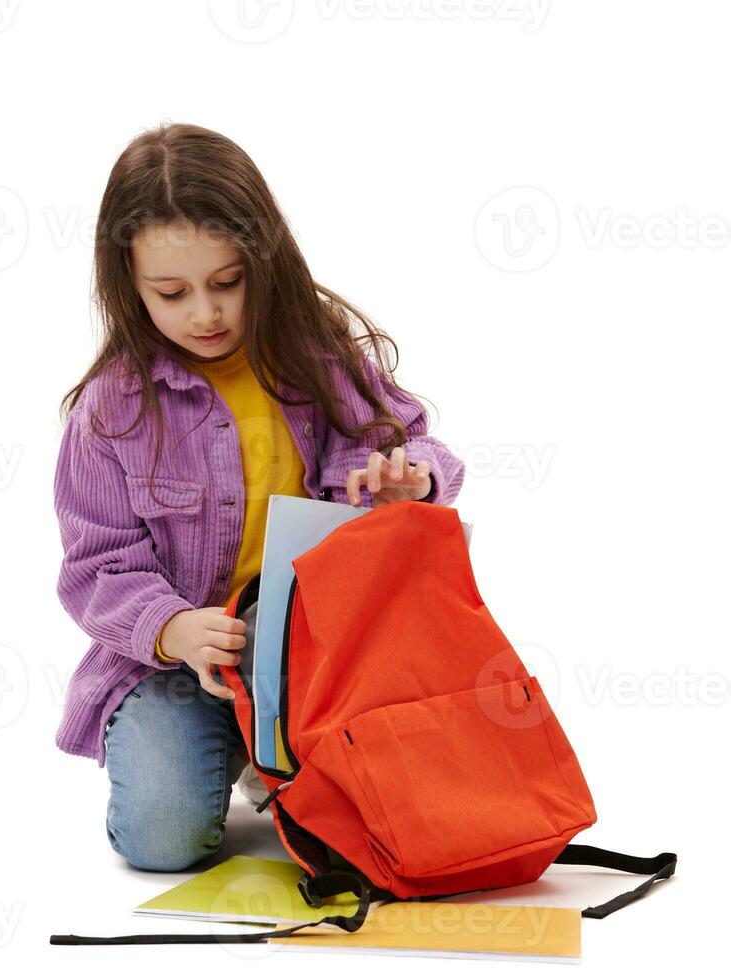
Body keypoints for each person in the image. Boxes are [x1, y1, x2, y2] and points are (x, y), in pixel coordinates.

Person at [52, 122, 464, 872]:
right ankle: (246, 752)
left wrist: (413, 479)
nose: (206, 314)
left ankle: (269, 750)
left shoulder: (316, 357)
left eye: (227, 282)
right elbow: (96, 568)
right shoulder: (110, 411)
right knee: (165, 840)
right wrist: (172, 629)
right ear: (127, 284)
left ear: (262, 261)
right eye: (171, 294)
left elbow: (418, 445)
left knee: (391, 830)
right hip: (174, 672)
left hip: (322, 662)